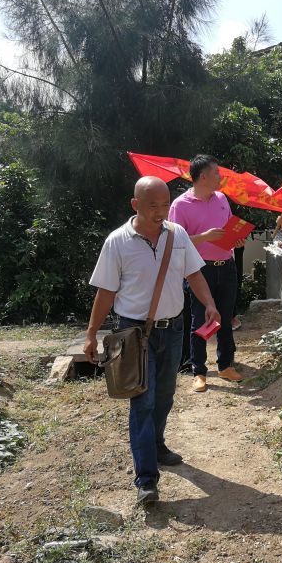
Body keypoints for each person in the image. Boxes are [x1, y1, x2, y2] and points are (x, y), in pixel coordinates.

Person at [84, 176, 219, 505]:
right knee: (141, 403)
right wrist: (91, 334)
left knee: (166, 395)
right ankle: (146, 479)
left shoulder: (178, 235)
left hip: (173, 329)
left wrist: (210, 304)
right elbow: (106, 291)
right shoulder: (117, 242)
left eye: (164, 204)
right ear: (136, 205)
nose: (160, 212)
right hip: (134, 334)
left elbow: (194, 273)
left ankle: (156, 445)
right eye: (152, 206)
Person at [168, 155, 245, 391]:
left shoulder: (222, 198)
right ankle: (198, 371)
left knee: (225, 316)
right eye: (216, 173)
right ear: (203, 176)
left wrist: (236, 238)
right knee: (199, 321)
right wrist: (204, 237)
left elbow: (229, 227)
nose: (220, 177)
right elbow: (172, 241)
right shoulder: (180, 205)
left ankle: (225, 365)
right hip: (199, 271)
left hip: (227, 267)